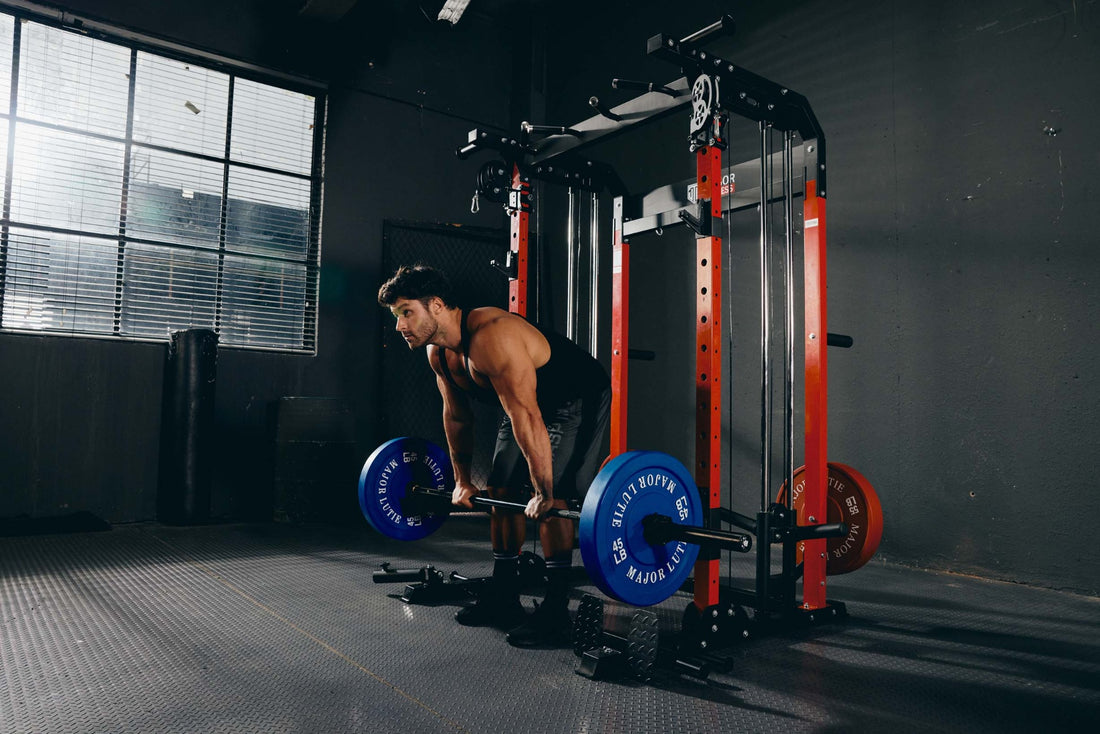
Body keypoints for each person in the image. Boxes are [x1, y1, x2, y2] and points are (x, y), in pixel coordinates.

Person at [377, 264, 610, 647]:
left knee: (556, 502)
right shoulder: (438, 353)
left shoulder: (492, 337)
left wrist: (543, 491)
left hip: (574, 399)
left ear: (436, 305)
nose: (401, 326)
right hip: (522, 406)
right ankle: (505, 596)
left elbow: (528, 416)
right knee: (501, 493)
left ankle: (554, 612)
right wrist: (463, 480)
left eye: (407, 312)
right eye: (397, 316)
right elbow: (456, 415)